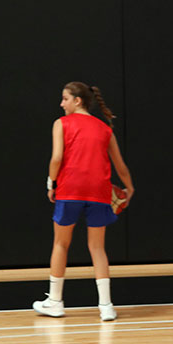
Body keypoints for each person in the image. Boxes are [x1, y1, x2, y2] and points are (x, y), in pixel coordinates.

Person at [33, 82, 135, 322]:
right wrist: (129, 187)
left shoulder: (61, 123)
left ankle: (55, 302)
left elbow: (56, 157)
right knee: (97, 248)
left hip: (70, 189)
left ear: (77, 101)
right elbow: (120, 166)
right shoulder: (104, 128)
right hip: (99, 192)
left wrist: (51, 183)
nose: (61, 103)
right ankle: (106, 306)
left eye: (65, 98)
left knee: (61, 244)